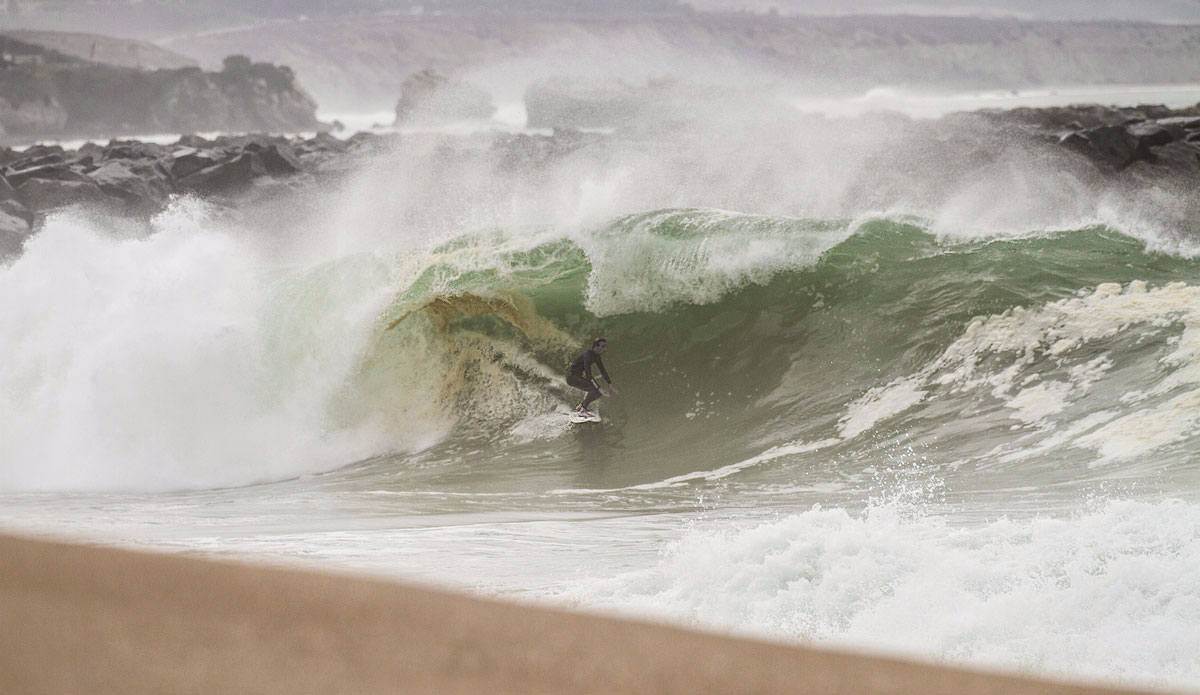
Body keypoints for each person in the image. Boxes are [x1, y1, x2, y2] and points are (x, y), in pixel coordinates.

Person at [567, 337, 619, 416]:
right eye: (603, 346)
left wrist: (610, 385)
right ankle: (582, 410)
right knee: (594, 389)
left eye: (605, 346)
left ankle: (581, 406)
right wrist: (599, 388)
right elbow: (588, 374)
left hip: (578, 377)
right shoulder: (587, 354)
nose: (605, 349)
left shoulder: (597, 357)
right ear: (596, 347)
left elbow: (603, 371)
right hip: (572, 377)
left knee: (598, 393)